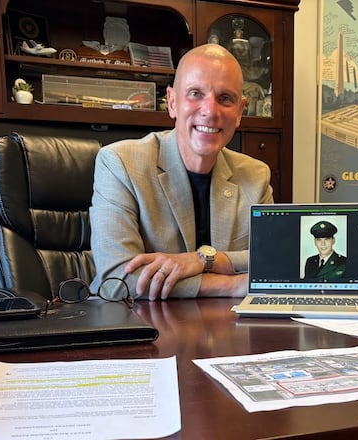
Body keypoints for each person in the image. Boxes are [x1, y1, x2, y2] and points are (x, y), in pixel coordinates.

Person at [89, 44, 273, 300]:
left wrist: (204, 261)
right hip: (141, 328)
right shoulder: (119, 163)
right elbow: (116, 280)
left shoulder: (256, 176)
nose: (210, 111)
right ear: (173, 103)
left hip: (226, 329)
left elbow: (272, 263)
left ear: (240, 112)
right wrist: (231, 285)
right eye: (195, 93)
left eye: (225, 98)